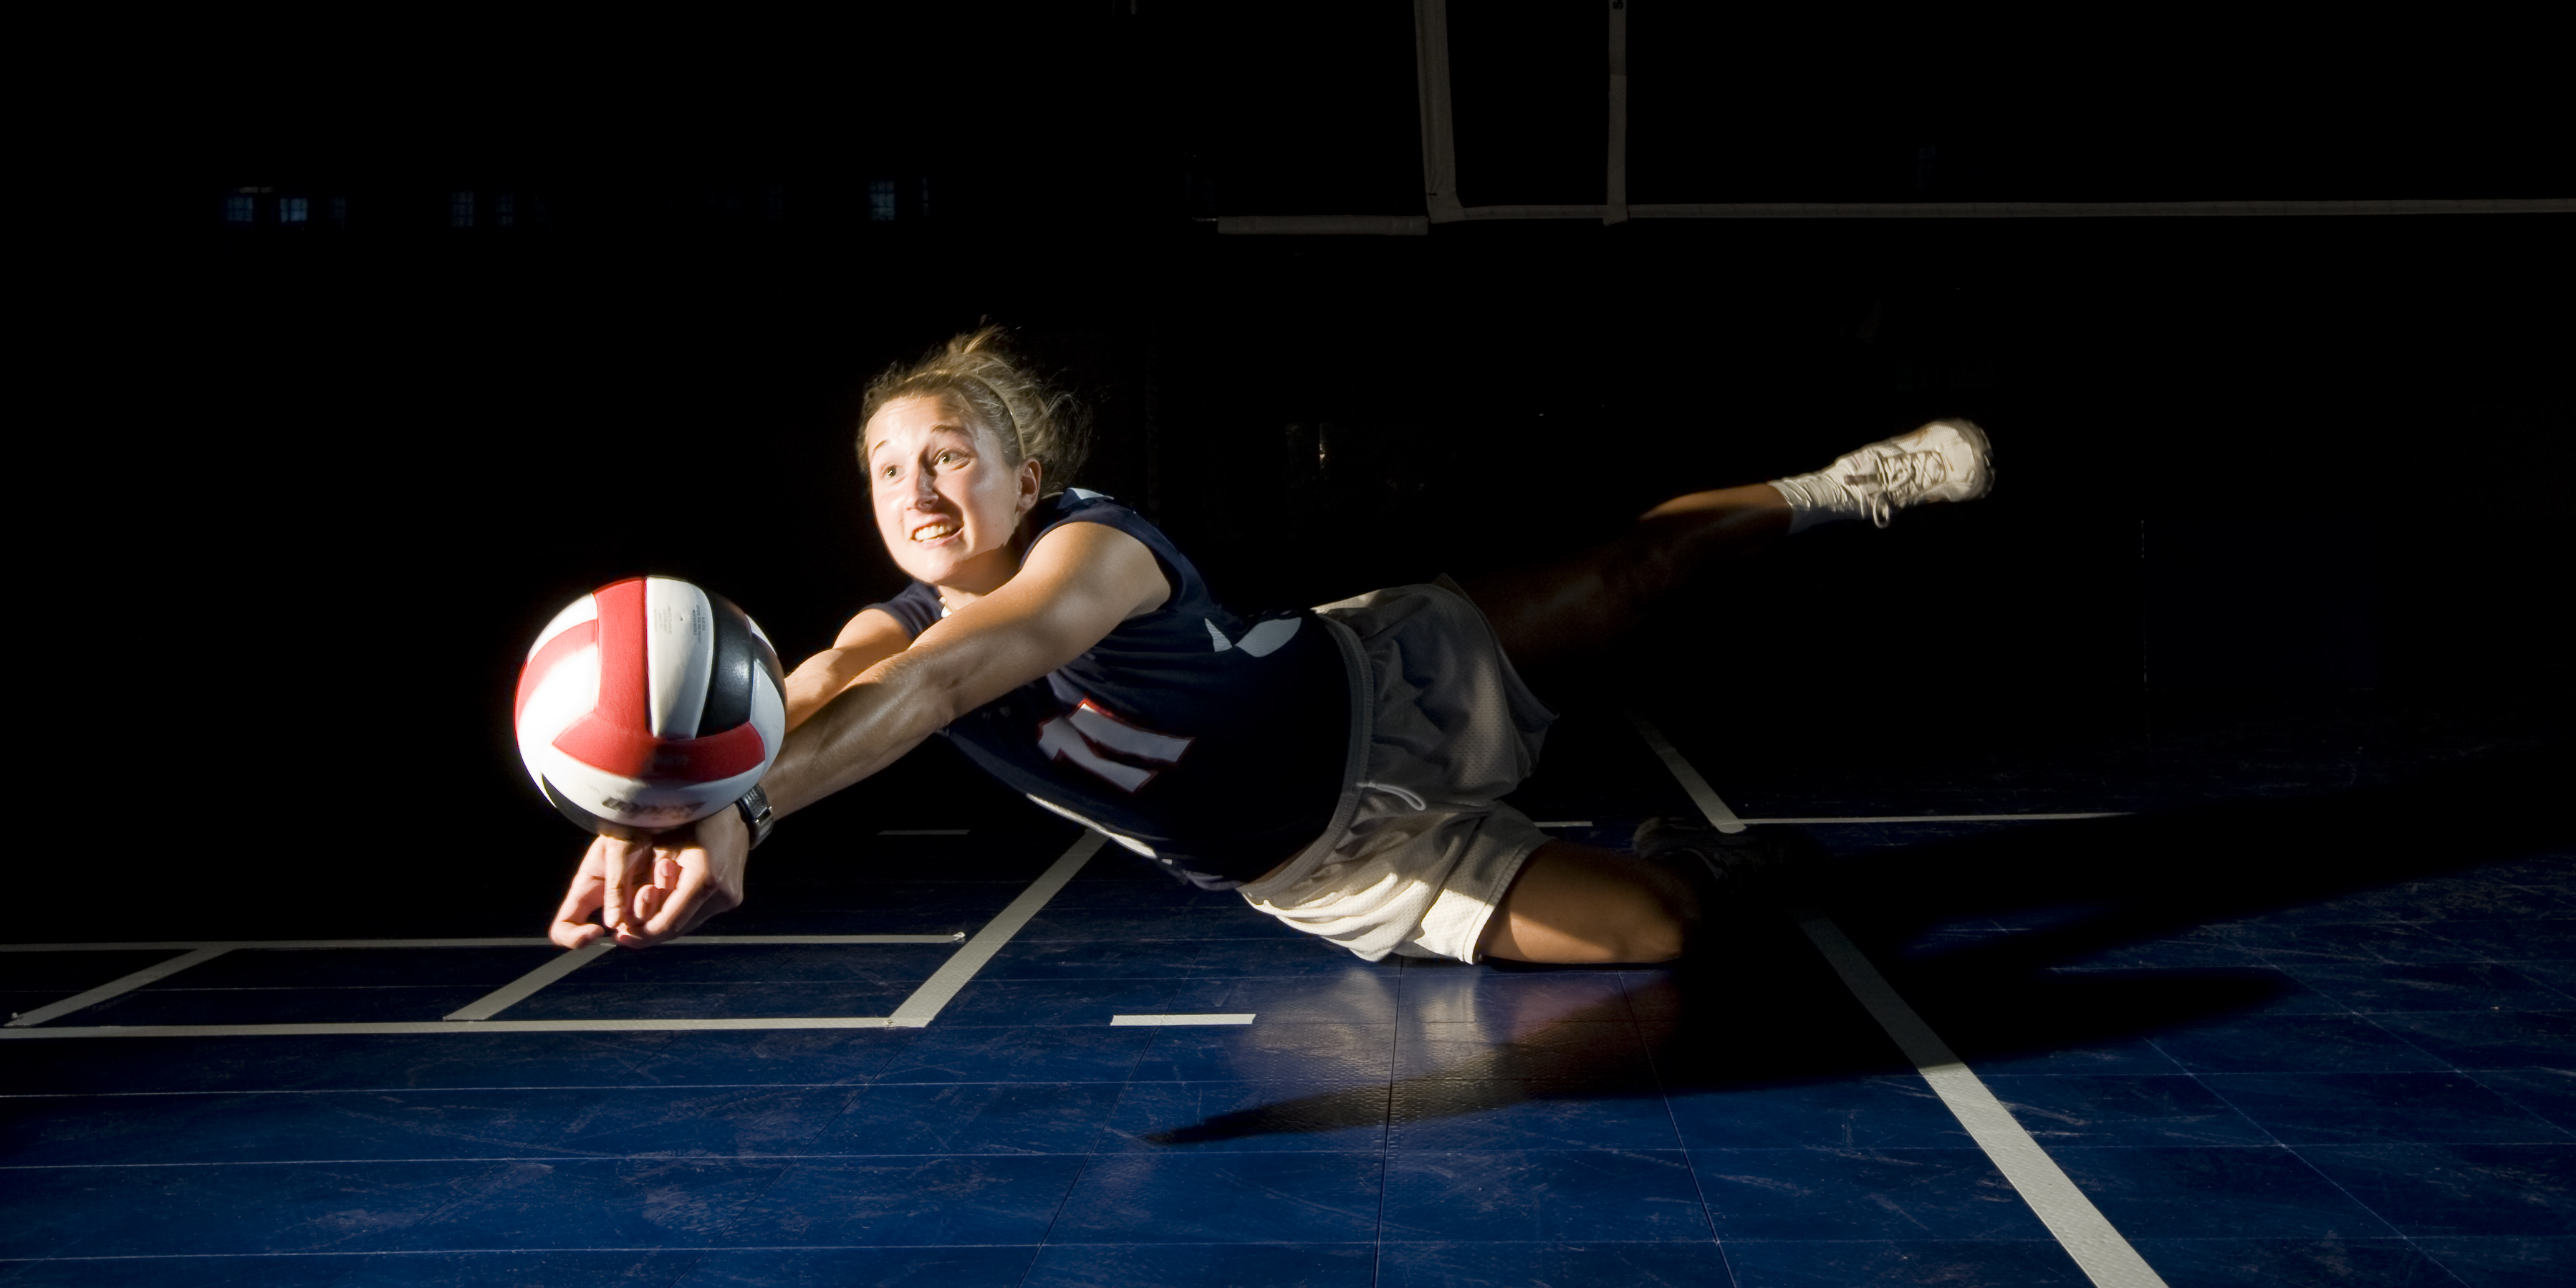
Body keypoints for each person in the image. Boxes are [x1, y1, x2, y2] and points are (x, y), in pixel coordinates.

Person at [547, 328, 1991, 965]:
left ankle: (1839, 488)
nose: (917, 493)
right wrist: (669, 801)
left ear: (1025, 474)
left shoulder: (1091, 551)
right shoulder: (880, 629)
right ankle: (1693, 856)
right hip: (1333, 868)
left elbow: (947, 682)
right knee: (1664, 936)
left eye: (949, 456)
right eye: (884, 470)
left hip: (1390, 685)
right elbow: (802, 702)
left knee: (1638, 564)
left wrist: (740, 807)